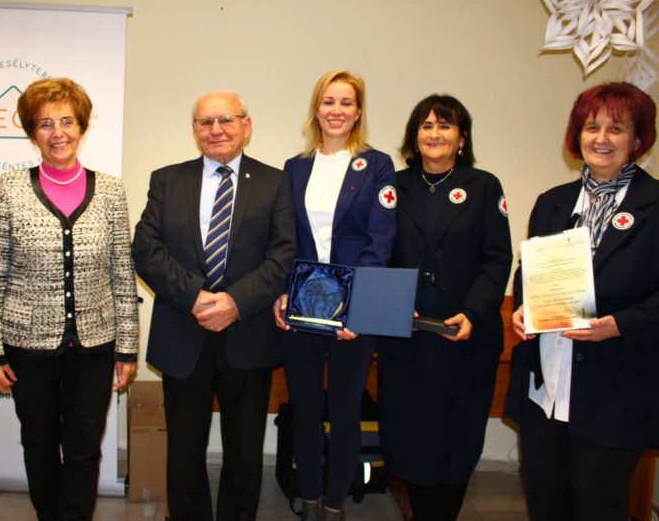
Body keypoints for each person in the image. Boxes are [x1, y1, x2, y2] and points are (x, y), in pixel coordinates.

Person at [0, 77, 138, 521]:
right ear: (32, 133)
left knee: (84, 446)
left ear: (82, 127)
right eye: (45, 123)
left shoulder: (110, 190)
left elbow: (121, 273)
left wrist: (126, 348)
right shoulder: (10, 188)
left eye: (67, 121)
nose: (58, 132)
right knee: (39, 442)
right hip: (27, 344)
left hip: (95, 344)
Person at [131, 90, 295, 521]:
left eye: (226, 120)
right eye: (206, 122)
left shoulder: (275, 182)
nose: (216, 129)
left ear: (246, 125)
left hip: (249, 334)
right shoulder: (167, 180)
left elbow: (283, 255)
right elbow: (146, 249)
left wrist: (236, 302)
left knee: (245, 451)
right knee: (184, 451)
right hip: (184, 333)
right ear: (194, 129)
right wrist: (195, 297)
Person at [505, 82, 659, 521]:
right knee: (545, 500)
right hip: (546, 389)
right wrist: (522, 307)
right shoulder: (552, 202)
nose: (601, 138)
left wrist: (620, 324)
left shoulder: (654, 205)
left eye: (616, 128)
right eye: (592, 127)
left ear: (638, 139)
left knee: (598, 504)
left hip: (617, 387)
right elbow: (529, 270)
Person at [377, 94, 512, 521]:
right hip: (409, 336)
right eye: (427, 126)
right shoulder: (392, 186)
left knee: (457, 440)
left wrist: (472, 312)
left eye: (445, 125)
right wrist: (393, 306)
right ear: (414, 137)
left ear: (462, 137)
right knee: (411, 439)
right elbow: (377, 254)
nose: (435, 134)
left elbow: (497, 260)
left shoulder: (484, 186)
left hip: (464, 338)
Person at [272, 70, 397, 520]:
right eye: (328, 101)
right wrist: (282, 293)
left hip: (355, 313)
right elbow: (284, 239)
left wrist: (358, 309)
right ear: (316, 109)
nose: (336, 110)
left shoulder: (377, 165)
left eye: (346, 102)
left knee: (345, 412)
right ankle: (309, 501)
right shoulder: (295, 167)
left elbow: (380, 241)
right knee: (304, 409)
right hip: (304, 305)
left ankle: (335, 506)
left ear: (358, 111)